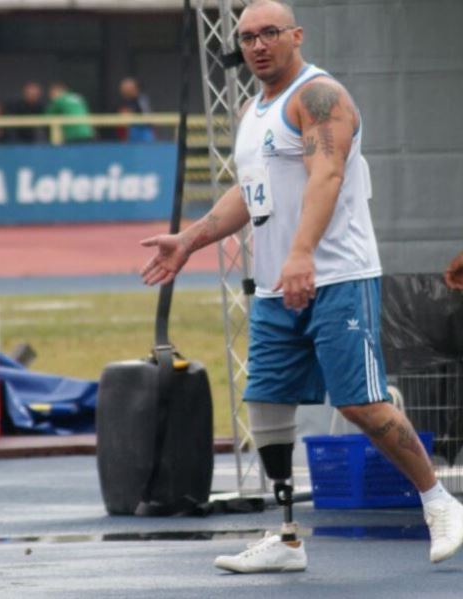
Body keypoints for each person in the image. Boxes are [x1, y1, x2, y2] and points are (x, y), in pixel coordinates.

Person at [140, 0, 463, 573]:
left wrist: (301, 253)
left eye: (269, 33)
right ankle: (287, 536)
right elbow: (249, 192)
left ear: (296, 35)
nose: (258, 45)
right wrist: (189, 239)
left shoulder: (320, 98)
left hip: (335, 275)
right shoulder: (252, 109)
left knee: (359, 402)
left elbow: (329, 174)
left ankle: (439, 501)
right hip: (274, 287)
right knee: (264, 401)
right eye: (246, 37)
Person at [117, 77, 155, 143]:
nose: (127, 90)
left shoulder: (142, 99)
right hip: (128, 133)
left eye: (130, 88)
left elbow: (147, 115)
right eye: (125, 88)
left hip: (143, 130)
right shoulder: (121, 102)